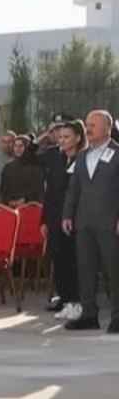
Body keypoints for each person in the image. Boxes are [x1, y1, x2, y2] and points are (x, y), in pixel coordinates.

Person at [62, 110, 119, 332]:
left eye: (93, 125)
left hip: (109, 222)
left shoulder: (117, 153)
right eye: (87, 124)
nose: (88, 129)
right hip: (83, 222)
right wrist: (67, 214)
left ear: (107, 127)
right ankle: (89, 315)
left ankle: (117, 315)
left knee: (113, 270)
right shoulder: (83, 155)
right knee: (85, 269)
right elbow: (73, 189)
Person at [41, 118, 82, 319]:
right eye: (60, 137)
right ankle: (65, 298)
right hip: (55, 218)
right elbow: (49, 193)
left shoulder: (83, 160)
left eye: (66, 137)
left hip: (74, 219)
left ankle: (76, 301)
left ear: (77, 138)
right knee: (58, 260)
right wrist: (44, 220)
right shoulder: (56, 159)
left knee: (73, 261)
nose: (62, 140)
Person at [0, 134, 44, 206]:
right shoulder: (8, 167)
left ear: (27, 147)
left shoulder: (35, 167)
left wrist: (25, 200)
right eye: (15, 146)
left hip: (30, 208)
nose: (17, 149)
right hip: (10, 208)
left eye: (21, 146)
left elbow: (38, 190)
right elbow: (3, 190)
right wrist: (10, 201)